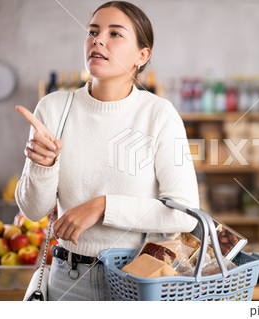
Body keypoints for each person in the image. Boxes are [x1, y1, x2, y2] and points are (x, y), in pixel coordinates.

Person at [15, 1, 198, 301]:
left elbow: (184, 214)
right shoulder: (53, 108)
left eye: (115, 33)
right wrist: (42, 165)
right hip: (67, 280)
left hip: (137, 280)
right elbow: (33, 211)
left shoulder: (160, 115)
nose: (98, 40)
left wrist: (102, 206)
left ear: (143, 55)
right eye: (93, 31)